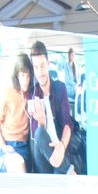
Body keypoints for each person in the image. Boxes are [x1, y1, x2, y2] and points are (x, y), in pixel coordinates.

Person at [28, 41, 74, 174]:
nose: (40, 72)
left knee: (58, 162)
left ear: (48, 64)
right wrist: (42, 122)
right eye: (36, 67)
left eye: (42, 66)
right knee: (40, 132)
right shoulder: (32, 94)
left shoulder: (60, 88)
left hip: (59, 150)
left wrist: (61, 146)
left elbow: (67, 123)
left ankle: (63, 168)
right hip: (42, 159)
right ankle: (70, 172)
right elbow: (37, 137)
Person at [0, 53, 35, 173]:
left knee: (20, 167)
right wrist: (3, 146)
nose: (26, 80)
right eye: (22, 75)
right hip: (9, 144)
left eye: (28, 76)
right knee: (17, 166)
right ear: (17, 75)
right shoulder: (8, 93)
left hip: (25, 146)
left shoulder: (32, 94)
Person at [65, 47, 87, 175]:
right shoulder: (66, 66)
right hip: (69, 88)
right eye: (72, 55)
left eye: (74, 55)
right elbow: (68, 82)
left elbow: (77, 80)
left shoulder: (76, 67)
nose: (73, 57)